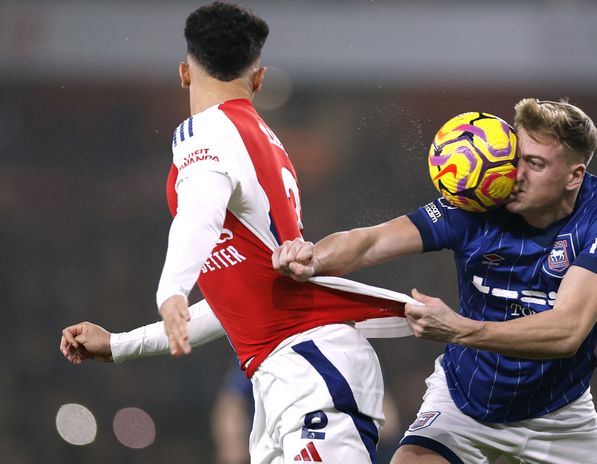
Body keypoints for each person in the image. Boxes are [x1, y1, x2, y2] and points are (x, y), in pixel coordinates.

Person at [59, 2, 415, 463]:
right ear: (259, 79)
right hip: (288, 371)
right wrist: (120, 346)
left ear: (184, 74)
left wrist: (172, 289)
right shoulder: (261, 142)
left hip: (309, 365)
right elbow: (240, 298)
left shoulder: (204, 133)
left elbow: (200, 213)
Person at [273, 98, 597, 463]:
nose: (515, 174)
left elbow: (567, 331)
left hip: (559, 417)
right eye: (516, 158)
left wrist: (459, 330)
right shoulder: (477, 204)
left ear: (574, 176)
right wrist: (314, 258)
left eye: (536, 164)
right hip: (465, 401)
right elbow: (372, 241)